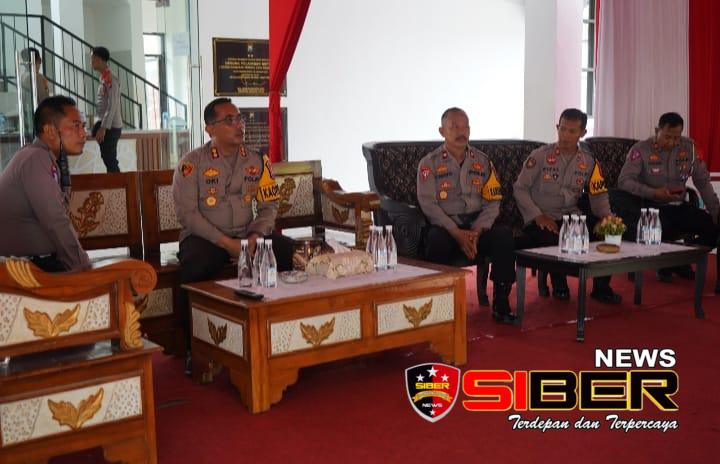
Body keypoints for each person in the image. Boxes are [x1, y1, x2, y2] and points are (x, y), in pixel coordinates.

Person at [173, 98, 294, 373]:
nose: (239, 125)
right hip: (206, 239)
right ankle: (195, 349)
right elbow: (187, 214)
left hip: (247, 236)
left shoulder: (257, 160)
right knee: (196, 263)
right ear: (209, 129)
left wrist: (255, 236)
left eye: (239, 119)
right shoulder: (191, 164)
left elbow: (269, 205)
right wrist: (226, 243)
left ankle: (279, 338)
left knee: (285, 251)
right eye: (229, 120)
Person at [416, 107, 517, 323]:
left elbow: (493, 201)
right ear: (442, 131)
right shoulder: (429, 163)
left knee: (503, 236)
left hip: (476, 227)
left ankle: (501, 301)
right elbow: (428, 204)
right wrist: (456, 232)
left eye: (465, 127)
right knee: (435, 241)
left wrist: (477, 231)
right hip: (446, 227)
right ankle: (439, 307)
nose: (461, 132)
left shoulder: (483, 161)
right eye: (454, 127)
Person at [514, 108, 621, 304]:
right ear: (557, 127)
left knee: (608, 231)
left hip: (572, 217)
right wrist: (538, 216)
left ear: (582, 133)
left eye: (572, 131)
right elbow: (520, 189)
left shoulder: (588, 161)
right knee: (553, 236)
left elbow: (598, 193)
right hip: (541, 217)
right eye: (562, 129)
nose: (565, 135)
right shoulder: (540, 156)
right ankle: (559, 285)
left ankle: (601, 287)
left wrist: (607, 218)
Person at [612, 112, 720, 282]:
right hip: (650, 208)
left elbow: (703, 182)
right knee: (662, 228)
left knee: (712, 228)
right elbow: (624, 181)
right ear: (657, 130)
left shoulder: (689, 148)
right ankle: (668, 263)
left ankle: (678, 262)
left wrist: (716, 212)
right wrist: (653, 192)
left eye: (677, 137)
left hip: (679, 207)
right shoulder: (641, 149)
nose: (672, 142)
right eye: (667, 137)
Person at [0, 96, 91, 272]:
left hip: (36, 264)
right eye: (75, 126)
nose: (83, 133)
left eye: (83, 126)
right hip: (23, 270)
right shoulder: (35, 158)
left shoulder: (47, 158)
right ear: (49, 130)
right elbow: (55, 220)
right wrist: (83, 268)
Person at [90, 46, 122, 172]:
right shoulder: (104, 78)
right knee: (108, 159)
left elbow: (112, 104)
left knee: (110, 160)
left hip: (111, 127)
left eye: (93, 58)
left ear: (100, 59)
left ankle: (118, 182)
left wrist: (103, 127)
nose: (91, 62)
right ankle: (115, 182)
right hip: (107, 125)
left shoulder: (111, 78)